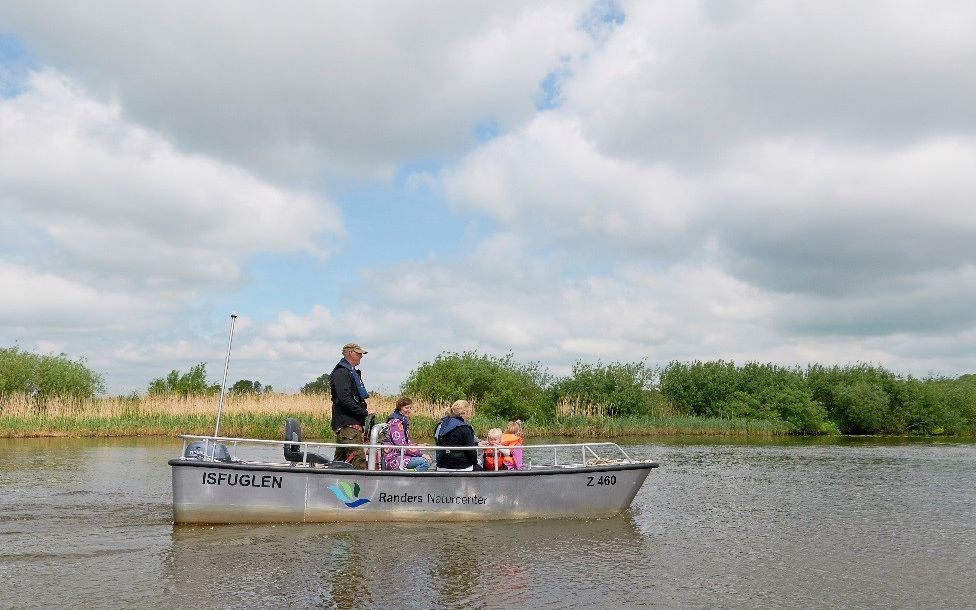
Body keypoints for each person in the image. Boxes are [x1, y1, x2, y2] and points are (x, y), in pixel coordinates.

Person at [329, 342, 373, 469]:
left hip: (350, 426)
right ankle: (358, 487)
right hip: (348, 426)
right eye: (359, 353)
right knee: (358, 459)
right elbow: (344, 399)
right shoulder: (342, 373)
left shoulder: (349, 372)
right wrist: (364, 413)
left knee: (340, 461)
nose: (361, 356)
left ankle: (330, 484)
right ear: (350, 353)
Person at [383, 397, 432, 471]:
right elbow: (401, 445)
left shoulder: (401, 420)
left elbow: (405, 441)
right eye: (406, 408)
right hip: (392, 458)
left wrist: (418, 445)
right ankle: (409, 477)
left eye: (410, 408)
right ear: (400, 408)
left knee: (427, 458)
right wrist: (421, 454)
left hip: (399, 454)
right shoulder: (396, 423)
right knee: (426, 461)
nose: (409, 410)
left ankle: (409, 473)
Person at [434, 399, 481, 471]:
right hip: (461, 467)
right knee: (480, 466)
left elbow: (449, 441)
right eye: (469, 411)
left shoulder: (440, 425)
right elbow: (471, 453)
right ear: (464, 412)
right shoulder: (464, 428)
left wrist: (478, 443)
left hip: (441, 466)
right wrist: (476, 462)